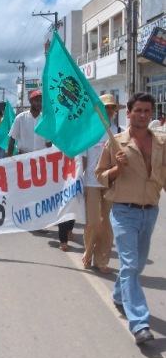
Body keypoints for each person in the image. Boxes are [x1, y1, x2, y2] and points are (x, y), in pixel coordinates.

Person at [96, 92, 166, 345]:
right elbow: (100, 176)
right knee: (129, 264)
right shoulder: (115, 143)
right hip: (124, 211)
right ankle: (140, 323)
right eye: (138, 111)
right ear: (129, 113)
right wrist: (117, 168)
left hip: (151, 210)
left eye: (147, 111)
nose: (143, 115)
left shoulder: (160, 142)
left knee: (136, 266)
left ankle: (119, 294)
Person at [81, 94, 123, 273]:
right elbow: (82, 158)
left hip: (111, 182)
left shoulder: (119, 131)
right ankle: (88, 253)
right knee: (92, 222)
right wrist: (80, 180)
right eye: (107, 107)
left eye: (112, 108)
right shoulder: (89, 131)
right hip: (91, 181)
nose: (110, 111)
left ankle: (101, 260)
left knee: (106, 222)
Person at [7, 90, 51, 156]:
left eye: (41, 101)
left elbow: (48, 142)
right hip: (24, 158)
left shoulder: (45, 120)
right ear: (30, 101)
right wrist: (9, 159)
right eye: (36, 100)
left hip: (41, 158)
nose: (39, 103)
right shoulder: (20, 118)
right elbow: (12, 140)